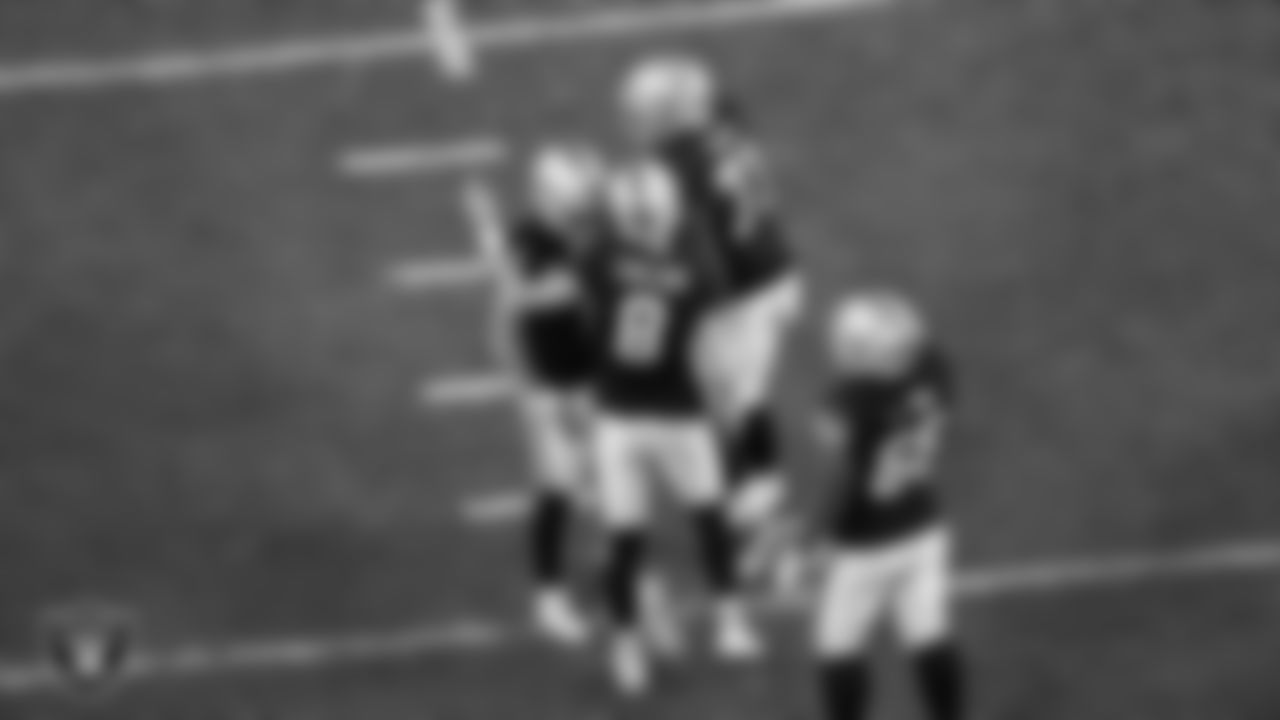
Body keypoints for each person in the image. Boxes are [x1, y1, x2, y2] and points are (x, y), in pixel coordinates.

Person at [580, 158, 762, 696]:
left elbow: (595, 294)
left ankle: (628, 643)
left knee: (626, 540)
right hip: (678, 412)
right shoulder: (697, 269)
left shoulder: (600, 257)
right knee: (709, 519)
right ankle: (730, 619)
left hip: (618, 413)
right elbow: (713, 337)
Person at [617, 54, 804, 562]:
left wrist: (692, 313)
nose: (638, 120)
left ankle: (760, 526)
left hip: (737, 298)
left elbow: (702, 254)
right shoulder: (728, 124)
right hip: (777, 273)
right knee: (746, 400)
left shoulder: (674, 169)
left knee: (711, 412)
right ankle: (767, 503)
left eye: (648, 111)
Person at [811, 291, 968, 720]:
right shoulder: (934, 374)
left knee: (837, 650)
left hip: (866, 545)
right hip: (923, 528)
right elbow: (925, 357)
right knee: (930, 637)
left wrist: (817, 541)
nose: (847, 354)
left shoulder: (849, 405)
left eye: (856, 348)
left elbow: (847, 486)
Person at [503, 143, 607, 647]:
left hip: (592, 376)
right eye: (575, 203)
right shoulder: (530, 239)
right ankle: (549, 596)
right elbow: (528, 297)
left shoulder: (578, 232)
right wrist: (587, 275)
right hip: (554, 382)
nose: (582, 211)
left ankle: (609, 564)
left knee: (603, 477)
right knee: (557, 488)